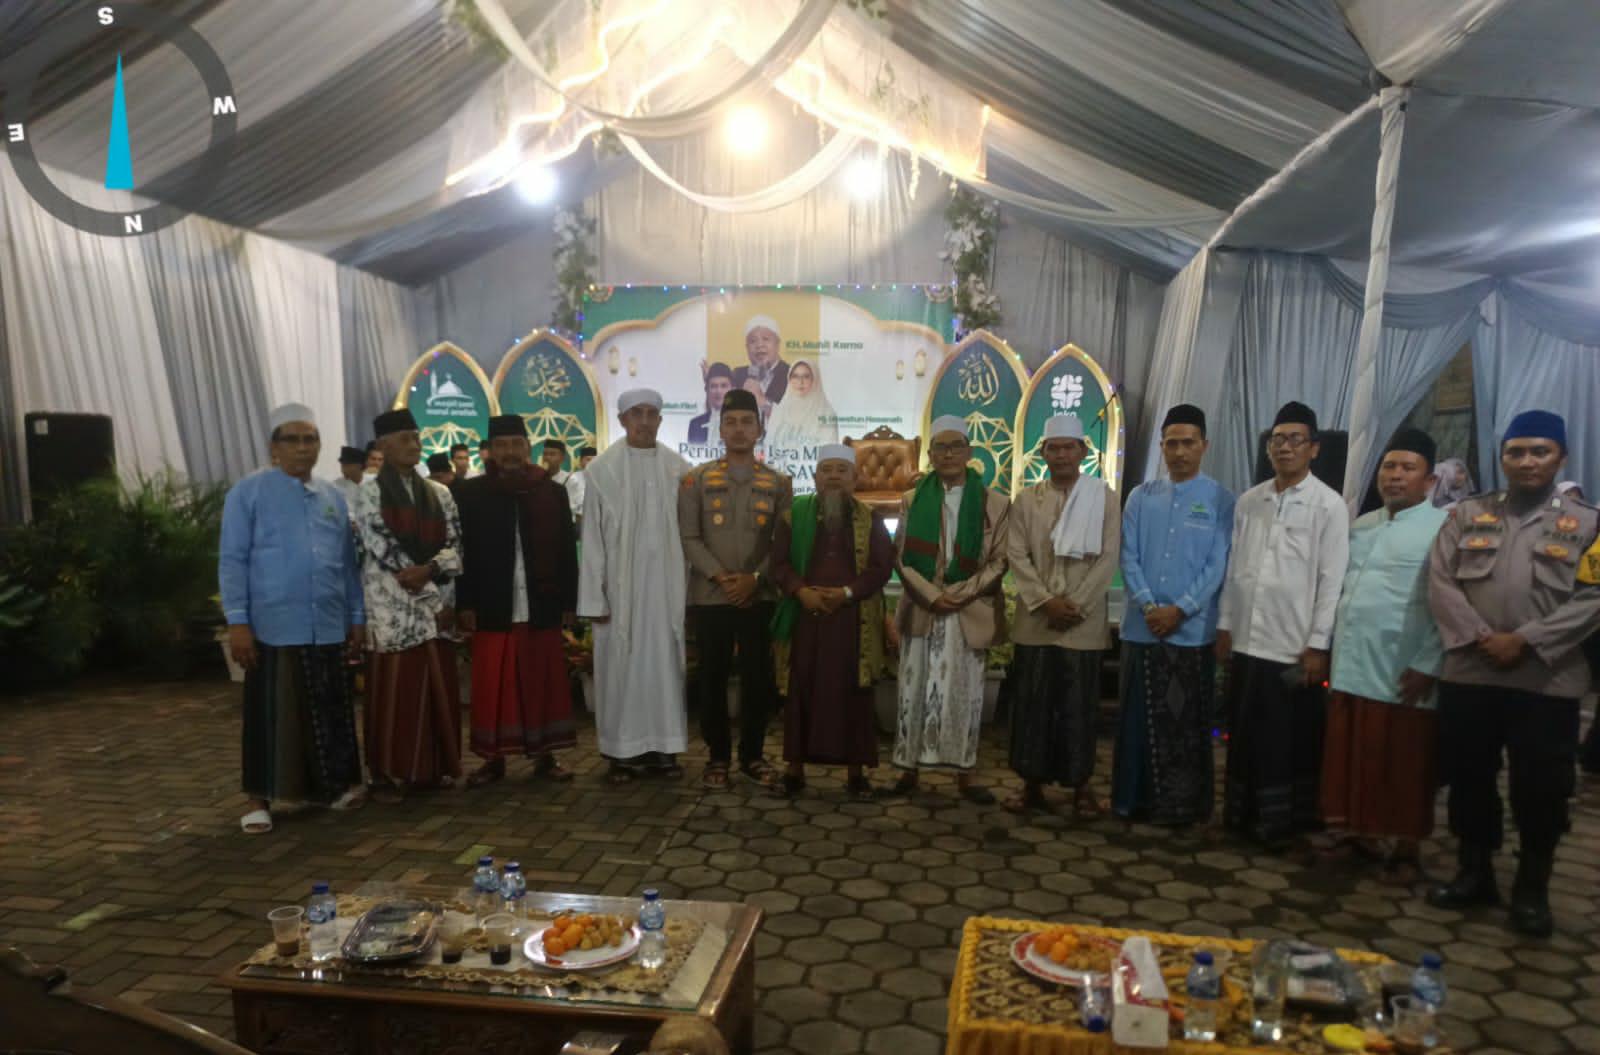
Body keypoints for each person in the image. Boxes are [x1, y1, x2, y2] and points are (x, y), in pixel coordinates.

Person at [1426, 410, 1600, 936]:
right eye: (1516, 452)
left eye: (1539, 451)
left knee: (1542, 789)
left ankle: (1532, 890)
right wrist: (1483, 637)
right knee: (1469, 779)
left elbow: (1593, 598)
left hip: (1546, 680)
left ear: (1561, 457)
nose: (1527, 461)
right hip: (1471, 673)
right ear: (1502, 457)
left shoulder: (1590, 524)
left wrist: (1525, 640)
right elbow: (1441, 580)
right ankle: (1473, 872)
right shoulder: (1467, 514)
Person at [220, 403, 367, 834]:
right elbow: (232, 560)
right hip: (273, 625)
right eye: (293, 440)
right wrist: (237, 622)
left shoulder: (332, 497)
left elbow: (347, 564)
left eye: (311, 439)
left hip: (328, 622)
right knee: (270, 715)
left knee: (329, 709)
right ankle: (258, 800)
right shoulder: (248, 493)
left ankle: (333, 788)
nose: (303, 448)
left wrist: (356, 617)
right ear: (274, 447)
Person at [1217, 401, 1349, 849]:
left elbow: (1331, 581)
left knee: (1284, 740)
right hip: (1247, 640)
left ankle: (1279, 826)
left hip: (1292, 645)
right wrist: (1225, 625)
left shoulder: (1328, 505)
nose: (1284, 448)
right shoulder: (1250, 501)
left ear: (1314, 448)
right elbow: (1235, 569)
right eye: (1277, 439)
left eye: (1295, 439)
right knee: (1244, 735)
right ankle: (1240, 816)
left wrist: (1318, 644)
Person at [1319, 428, 1447, 882]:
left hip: (1403, 667)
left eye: (1407, 468)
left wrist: (1429, 663)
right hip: (1353, 660)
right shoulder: (1362, 525)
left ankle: (1407, 848)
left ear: (1429, 481)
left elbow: (1449, 606)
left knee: (1406, 763)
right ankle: (1359, 834)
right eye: (1389, 466)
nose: (1395, 475)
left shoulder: (1442, 529)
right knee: (1354, 755)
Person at [1111, 404, 1233, 827]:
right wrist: (1149, 606)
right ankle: (1131, 801)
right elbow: (1128, 557)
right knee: (1136, 721)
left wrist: (1181, 609)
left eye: (1188, 443)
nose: (1179, 452)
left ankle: (1182, 809)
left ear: (1204, 446)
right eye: (1172, 444)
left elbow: (1218, 564)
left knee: (1186, 723)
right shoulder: (1140, 497)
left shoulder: (1221, 500)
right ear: (1161, 446)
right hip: (1142, 629)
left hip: (1191, 633)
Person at [889, 415, 1009, 803]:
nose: (949, 454)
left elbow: (1000, 560)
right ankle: (907, 770)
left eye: (956, 446)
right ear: (930, 454)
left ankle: (965, 774)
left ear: (969, 452)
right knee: (913, 690)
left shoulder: (995, 503)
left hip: (968, 610)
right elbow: (901, 556)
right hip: (924, 608)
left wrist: (958, 594)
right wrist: (931, 594)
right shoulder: (912, 499)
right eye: (940, 447)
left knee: (966, 693)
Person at [1004, 415, 1120, 815]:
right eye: (1054, 448)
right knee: (1032, 705)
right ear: (1043, 454)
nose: (1061, 455)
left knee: (1078, 707)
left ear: (1083, 452)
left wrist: (1077, 605)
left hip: (1082, 624)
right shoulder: (1026, 500)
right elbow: (1016, 554)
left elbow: (1109, 556)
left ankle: (1080, 787)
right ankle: (1030, 784)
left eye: (1069, 447)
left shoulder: (1104, 498)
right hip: (1036, 619)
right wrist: (1044, 601)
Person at [455, 414, 579, 787]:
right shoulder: (471, 494)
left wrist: (570, 602)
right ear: (490, 451)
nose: (509, 452)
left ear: (528, 447)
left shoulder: (551, 492)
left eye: (516, 444)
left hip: (541, 603)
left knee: (542, 681)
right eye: (501, 445)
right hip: (493, 605)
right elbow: (462, 554)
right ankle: (492, 760)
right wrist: (465, 604)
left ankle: (546, 756)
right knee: (493, 684)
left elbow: (566, 550)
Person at [578, 389, 692, 783]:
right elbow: (591, 539)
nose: (644, 421)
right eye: (636, 414)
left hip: (666, 591)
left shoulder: (680, 469)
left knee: (664, 666)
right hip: (619, 594)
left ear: (660, 420)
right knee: (620, 669)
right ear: (623, 419)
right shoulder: (601, 471)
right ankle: (620, 753)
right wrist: (594, 599)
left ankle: (664, 748)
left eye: (651, 414)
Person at [679, 388, 792, 789]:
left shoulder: (778, 482)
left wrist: (755, 579)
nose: (739, 429)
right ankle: (717, 757)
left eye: (747, 422)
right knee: (711, 677)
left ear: (759, 429)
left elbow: (782, 542)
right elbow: (689, 537)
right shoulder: (695, 480)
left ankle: (753, 756)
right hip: (711, 596)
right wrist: (721, 577)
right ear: (721, 429)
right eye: (731, 422)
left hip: (759, 596)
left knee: (758, 678)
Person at [769, 445, 894, 798]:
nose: (834, 476)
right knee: (801, 690)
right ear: (815, 477)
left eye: (842, 470)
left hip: (853, 621)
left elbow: (880, 568)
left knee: (854, 693)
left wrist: (847, 593)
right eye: (827, 469)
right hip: (805, 619)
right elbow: (778, 564)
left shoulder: (871, 519)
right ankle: (794, 771)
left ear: (855, 478)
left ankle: (856, 775)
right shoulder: (793, 516)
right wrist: (800, 591)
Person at [352, 408, 464, 800]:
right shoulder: (368, 492)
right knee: (396, 693)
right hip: (392, 610)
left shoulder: (440, 493)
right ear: (383, 447)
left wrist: (431, 572)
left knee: (435, 690)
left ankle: (433, 769)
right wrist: (427, 585)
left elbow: (456, 547)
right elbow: (383, 548)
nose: (414, 444)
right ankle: (388, 774)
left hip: (436, 611)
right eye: (404, 438)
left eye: (416, 437)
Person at [764, 358, 838, 455]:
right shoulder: (779, 409)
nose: (800, 382)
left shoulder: (827, 414)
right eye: (795, 376)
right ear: (789, 379)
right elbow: (769, 446)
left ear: (815, 379)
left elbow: (830, 453)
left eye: (806, 377)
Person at [731, 315, 789, 418]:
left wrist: (762, 401)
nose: (759, 345)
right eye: (753, 341)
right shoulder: (737, 375)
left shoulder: (793, 375)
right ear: (747, 348)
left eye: (765, 339)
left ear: (777, 344)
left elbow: (797, 419)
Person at [688, 364, 734, 445]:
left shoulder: (742, 423)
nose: (718, 391)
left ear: (732, 389)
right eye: (713, 386)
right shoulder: (695, 424)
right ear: (707, 390)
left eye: (724, 386)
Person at [567, 445, 597, 528]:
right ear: (581, 461)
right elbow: (568, 505)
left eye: (594, 460)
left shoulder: (603, 479)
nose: (592, 463)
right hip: (578, 522)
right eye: (588, 459)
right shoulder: (573, 479)